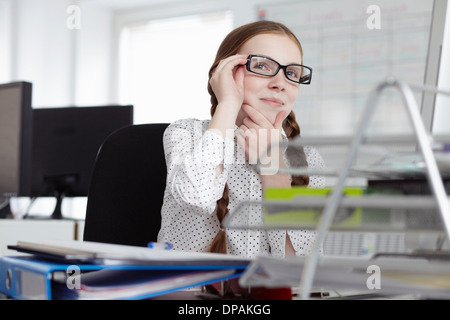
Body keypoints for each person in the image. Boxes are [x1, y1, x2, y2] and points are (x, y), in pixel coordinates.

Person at [157, 20, 326, 259]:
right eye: (263, 66)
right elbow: (198, 197)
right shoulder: (186, 133)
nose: (280, 83)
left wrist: (273, 170)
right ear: (226, 70)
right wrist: (227, 103)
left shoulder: (308, 159)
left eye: (291, 73)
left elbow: (303, 268)